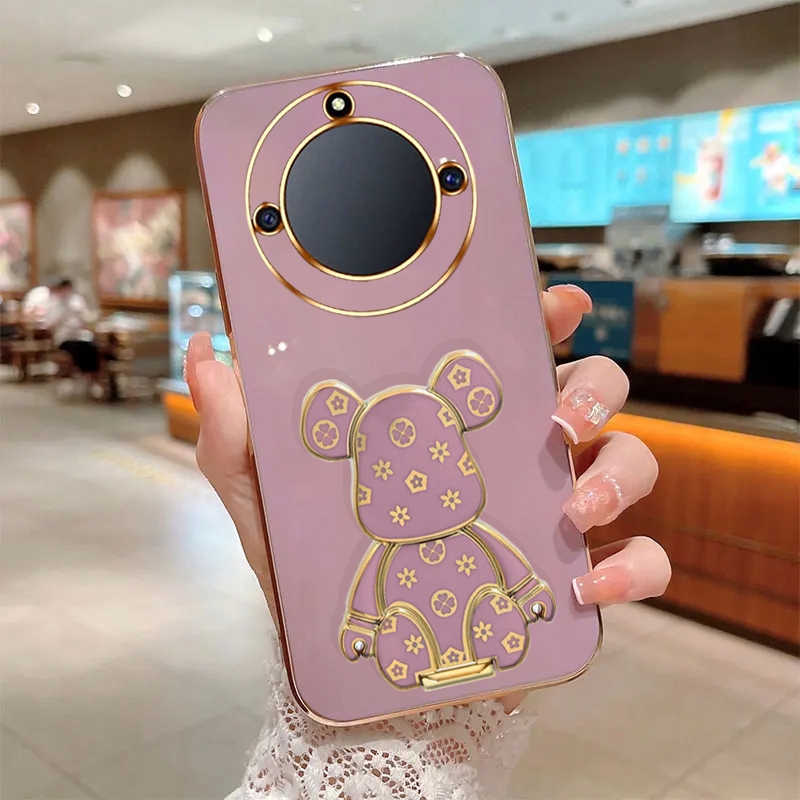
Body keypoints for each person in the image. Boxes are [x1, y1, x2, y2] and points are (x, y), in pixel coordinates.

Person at [185, 284, 671, 800]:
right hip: (407, 633)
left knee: (482, 606)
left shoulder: (427, 542)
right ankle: (420, 637)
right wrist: (360, 631)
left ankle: (486, 624)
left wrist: (526, 595)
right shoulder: (402, 549)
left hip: (469, 617)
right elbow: (373, 591)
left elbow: (503, 562)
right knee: (407, 625)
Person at [43, 278, 103, 385]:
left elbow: (86, 318)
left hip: (79, 335)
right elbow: (48, 324)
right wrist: (60, 317)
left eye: (68, 289)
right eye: (63, 289)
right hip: (64, 338)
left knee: (94, 346)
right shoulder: (54, 303)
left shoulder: (77, 301)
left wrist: (89, 316)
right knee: (78, 348)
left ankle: (92, 374)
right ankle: (85, 373)